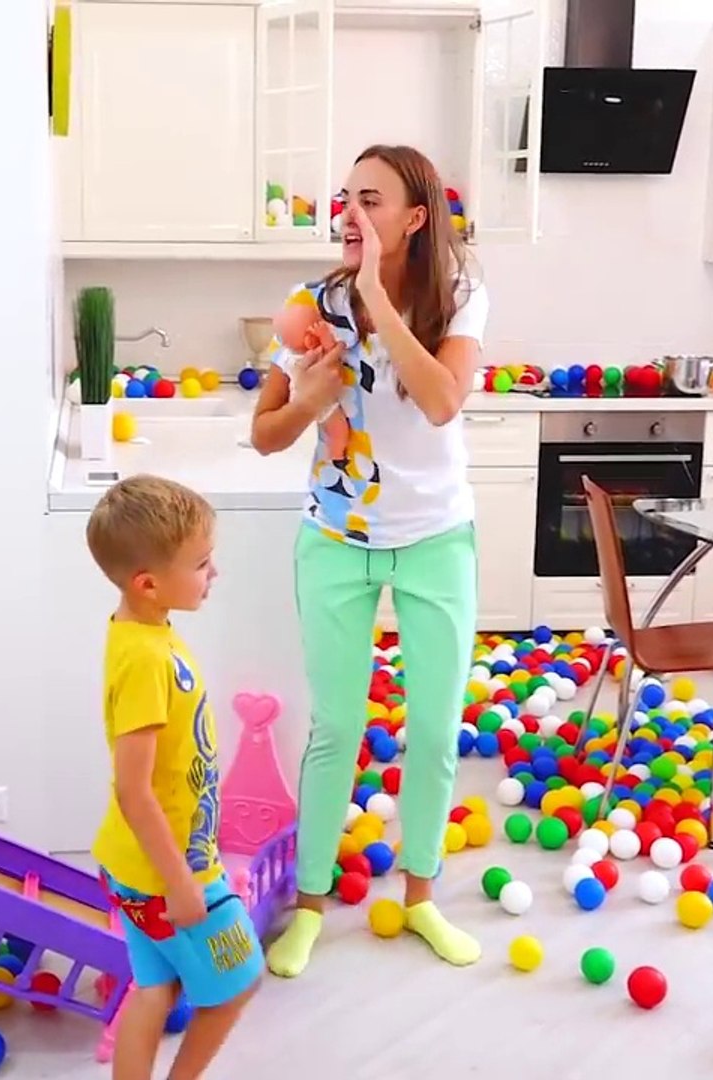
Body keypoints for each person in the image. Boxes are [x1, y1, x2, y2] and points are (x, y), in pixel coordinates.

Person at [249, 144, 490, 976]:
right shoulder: (309, 304)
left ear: (414, 219)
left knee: (432, 728)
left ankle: (421, 899)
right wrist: (311, 397)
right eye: (345, 197)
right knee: (337, 726)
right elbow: (266, 434)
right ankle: (309, 905)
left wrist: (378, 299)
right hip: (336, 540)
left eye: (372, 200)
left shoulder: (460, 296)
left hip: (434, 540)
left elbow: (440, 399)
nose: (350, 213)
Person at [86, 474, 262, 1080]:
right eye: (202, 564)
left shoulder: (148, 630)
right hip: (166, 874)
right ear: (148, 582)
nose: (214, 574)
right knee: (238, 981)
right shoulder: (144, 659)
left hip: (142, 867)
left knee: (154, 988)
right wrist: (181, 884)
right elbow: (132, 791)